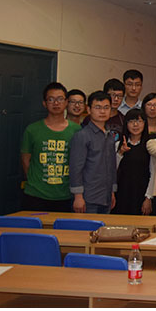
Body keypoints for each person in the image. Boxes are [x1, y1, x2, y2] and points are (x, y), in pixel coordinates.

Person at [19, 82, 82, 212]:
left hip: (65, 195)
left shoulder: (77, 130)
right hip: (36, 195)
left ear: (66, 102)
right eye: (51, 99)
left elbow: (80, 163)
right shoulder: (32, 130)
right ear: (44, 103)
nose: (56, 103)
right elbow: (26, 160)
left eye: (60, 99)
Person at [70, 91, 117, 214]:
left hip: (106, 196)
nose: (102, 111)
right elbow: (76, 168)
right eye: (98, 107)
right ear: (89, 109)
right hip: (88, 198)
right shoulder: (82, 136)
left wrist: (112, 191)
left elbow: (112, 166)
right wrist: (78, 196)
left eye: (106, 107)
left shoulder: (109, 136)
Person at [113, 109, 151, 215]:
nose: (135, 125)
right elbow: (112, 170)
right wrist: (120, 152)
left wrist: (148, 198)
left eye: (139, 121)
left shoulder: (150, 145)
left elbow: (153, 173)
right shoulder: (118, 145)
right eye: (131, 121)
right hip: (122, 192)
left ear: (145, 123)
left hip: (142, 193)